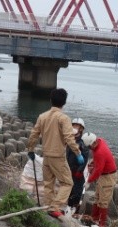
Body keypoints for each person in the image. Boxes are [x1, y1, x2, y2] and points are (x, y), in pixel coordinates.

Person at [27, 88, 82, 219]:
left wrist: (30, 149)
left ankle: (48, 206)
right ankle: (54, 207)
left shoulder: (42, 116)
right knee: (67, 183)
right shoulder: (64, 118)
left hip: (46, 155)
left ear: (51, 100)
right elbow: (69, 137)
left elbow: (34, 134)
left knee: (48, 183)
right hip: (58, 156)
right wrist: (78, 153)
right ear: (64, 102)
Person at [82, 132, 117, 227]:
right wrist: (93, 162)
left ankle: (101, 224)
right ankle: (94, 218)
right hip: (103, 175)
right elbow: (98, 163)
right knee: (97, 197)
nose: (90, 149)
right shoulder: (100, 141)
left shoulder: (99, 152)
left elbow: (98, 170)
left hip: (108, 176)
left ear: (93, 143)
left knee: (103, 200)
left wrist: (89, 181)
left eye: (89, 147)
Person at [66, 117, 91, 213]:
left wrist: (80, 171)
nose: (75, 127)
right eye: (74, 125)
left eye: (77, 126)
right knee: (69, 188)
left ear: (81, 129)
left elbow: (85, 158)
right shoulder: (69, 139)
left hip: (78, 170)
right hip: (69, 167)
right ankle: (68, 206)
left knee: (77, 189)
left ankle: (74, 207)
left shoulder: (82, 142)